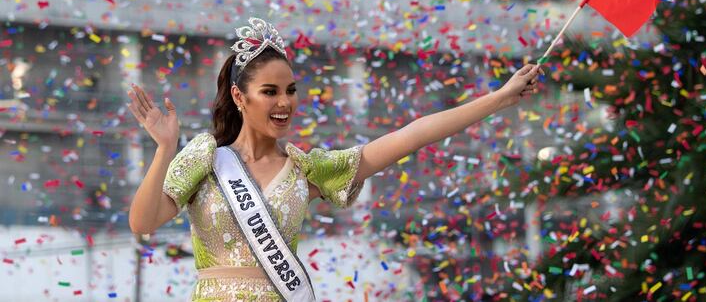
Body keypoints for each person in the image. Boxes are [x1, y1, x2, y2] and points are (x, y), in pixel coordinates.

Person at [127, 17, 544, 301]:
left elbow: (410, 135)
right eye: (270, 92)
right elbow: (143, 223)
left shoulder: (307, 169)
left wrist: (498, 98)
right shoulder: (206, 158)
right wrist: (165, 148)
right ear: (240, 96)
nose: (285, 102)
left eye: (291, 90)